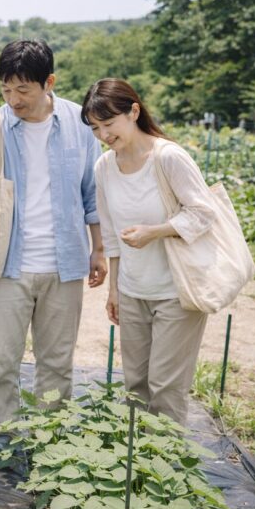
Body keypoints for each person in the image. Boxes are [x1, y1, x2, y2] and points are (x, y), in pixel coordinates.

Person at [0, 40, 106, 433]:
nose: (13, 99)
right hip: (9, 264)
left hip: (65, 264)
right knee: (0, 364)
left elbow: (92, 191)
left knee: (57, 365)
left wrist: (99, 249)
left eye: (22, 89)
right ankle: (2, 441)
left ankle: (50, 442)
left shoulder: (79, 123)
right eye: (6, 89)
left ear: (48, 82)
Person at [81, 78, 214, 425]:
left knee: (166, 388)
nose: (103, 135)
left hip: (176, 290)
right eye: (95, 128)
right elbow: (111, 233)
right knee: (135, 386)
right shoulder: (104, 167)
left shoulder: (168, 157)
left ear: (134, 112)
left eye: (109, 123)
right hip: (133, 289)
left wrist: (155, 232)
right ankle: (136, 457)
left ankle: (165, 458)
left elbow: (204, 213)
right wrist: (114, 289)